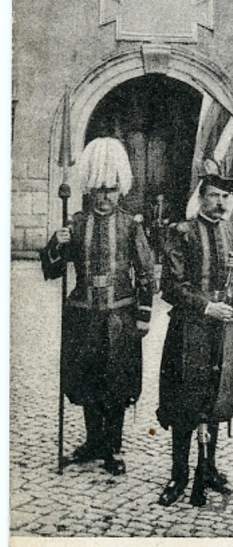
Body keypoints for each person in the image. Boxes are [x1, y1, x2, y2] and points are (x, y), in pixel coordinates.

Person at [40, 137, 154, 476]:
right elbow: (52, 270)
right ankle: (93, 442)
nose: (105, 197)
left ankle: (114, 447)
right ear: (90, 190)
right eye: (100, 190)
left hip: (120, 314)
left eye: (111, 190)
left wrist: (144, 316)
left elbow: (147, 273)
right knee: (87, 378)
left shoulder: (131, 225)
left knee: (116, 382)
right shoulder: (75, 223)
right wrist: (57, 246)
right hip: (83, 314)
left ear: (121, 189)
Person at [156, 172, 233, 506]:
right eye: (214, 195)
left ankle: (208, 467)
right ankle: (179, 474)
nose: (220, 202)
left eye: (226, 197)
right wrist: (206, 306)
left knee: (216, 396)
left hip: (225, 327)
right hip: (190, 329)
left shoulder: (232, 231)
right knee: (186, 398)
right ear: (202, 197)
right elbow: (171, 286)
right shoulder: (181, 232)